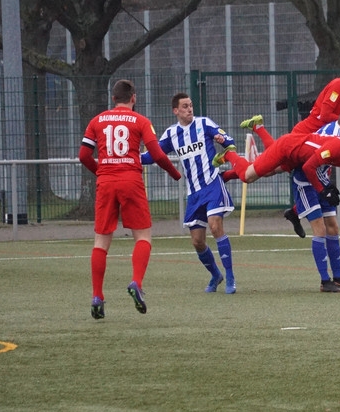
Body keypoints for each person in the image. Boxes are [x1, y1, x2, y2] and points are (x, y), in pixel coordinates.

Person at [78, 79, 182, 319]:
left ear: (113, 99)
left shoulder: (97, 121)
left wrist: (102, 171)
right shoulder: (141, 121)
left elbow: (83, 155)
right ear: (133, 98)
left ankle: (97, 296)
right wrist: (175, 174)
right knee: (143, 236)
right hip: (131, 180)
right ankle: (136, 282)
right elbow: (156, 153)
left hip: (106, 182)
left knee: (101, 242)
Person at [238, 51, 340, 235]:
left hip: (319, 140)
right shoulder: (338, 86)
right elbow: (325, 115)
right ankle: (255, 133)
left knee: (294, 172)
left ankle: (294, 212)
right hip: (306, 133)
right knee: (272, 169)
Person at [215, 128, 340, 241]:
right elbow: (309, 167)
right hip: (288, 148)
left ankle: (225, 176)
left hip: (298, 158)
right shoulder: (339, 148)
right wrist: (322, 190)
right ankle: (229, 154)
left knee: (267, 172)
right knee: (248, 176)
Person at [141, 92, 238, 294]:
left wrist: (223, 140)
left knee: (215, 225)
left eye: (191, 105)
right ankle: (215, 275)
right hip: (193, 193)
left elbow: (229, 141)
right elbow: (153, 156)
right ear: (175, 110)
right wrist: (132, 156)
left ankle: (230, 277)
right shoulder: (171, 134)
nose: (189, 109)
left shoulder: (204, 124)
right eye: (184, 106)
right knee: (197, 240)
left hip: (212, 184)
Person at [289, 106, 340, 292]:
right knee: (320, 228)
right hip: (305, 179)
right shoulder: (334, 135)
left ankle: (339, 277)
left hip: (321, 179)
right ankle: (325, 282)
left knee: (333, 226)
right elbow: (311, 163)